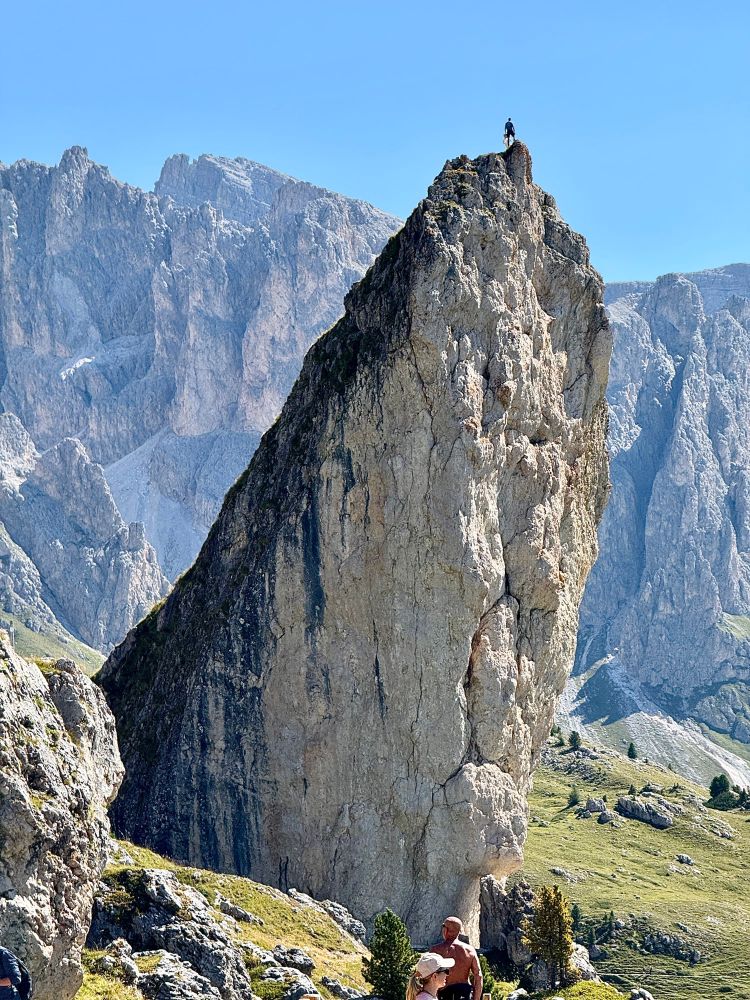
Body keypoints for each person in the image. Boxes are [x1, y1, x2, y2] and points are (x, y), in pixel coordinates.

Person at [432, 917, 483, 1000]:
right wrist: (476, 998)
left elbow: (428, 975)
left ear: (446, 930)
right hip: (464, 994)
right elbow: (478, 976)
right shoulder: (469, 950)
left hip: (444, 994)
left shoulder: (436, 950)